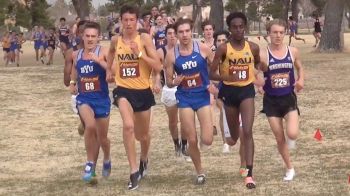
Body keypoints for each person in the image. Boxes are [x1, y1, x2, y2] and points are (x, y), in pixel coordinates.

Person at [106, 5, 162, 190]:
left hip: (143, 92)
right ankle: (133, 172)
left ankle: (144, 159)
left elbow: (158, 66)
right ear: (120, 21)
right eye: (125, 20)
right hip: (123, 90)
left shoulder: (144, 38)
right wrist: (109, 70)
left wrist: (139, 53)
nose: (128, 23)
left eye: (132, 20)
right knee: (128, 127)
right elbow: (111, 53)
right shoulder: (116, 40)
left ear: (137, 21)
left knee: (143, 135)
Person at [210, 12, 263, 189]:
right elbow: (211, 73)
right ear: (230, 28)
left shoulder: (253, 47)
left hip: (247, 92)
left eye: (241, 26)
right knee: (233, 138)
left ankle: (249, 173)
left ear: (245, 27)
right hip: (229, 93)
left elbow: (257, 64)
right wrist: (227, 76)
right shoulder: (223, 49)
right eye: (235, 27)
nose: (239, 30)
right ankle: (229, 134)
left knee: (247, 131)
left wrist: (258, 73)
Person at [164, 18, 217, 185]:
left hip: (202, 96)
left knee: (207, 139)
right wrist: (175, 82)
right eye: (181, 32)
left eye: (187, 31)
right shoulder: (172, 55)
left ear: (192, 31)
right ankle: (200, 171)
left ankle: (201, 144)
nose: (184, 35)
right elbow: (168, 81)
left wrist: (212, 84)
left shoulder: (202, 48)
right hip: (185, 98)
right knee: (191, 138)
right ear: (177, 34)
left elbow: (215, 69)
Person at [260, 19, 304, 181]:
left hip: (288, 99)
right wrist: (259, 83)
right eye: (274, 32)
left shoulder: (292, 51)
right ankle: (289, 168)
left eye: (281, 32)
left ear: (285, 33)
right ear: (269, 34)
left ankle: (290, 139)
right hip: (271, 101)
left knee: (292, 134)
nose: (278, 36)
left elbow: (300, 67)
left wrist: (301, 80)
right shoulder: (263, 54)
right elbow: (255, 73)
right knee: (279, 137)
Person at [69, 21, 111, 184]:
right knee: (90, 126)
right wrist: (73, 83)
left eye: (93, 36)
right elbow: (75, 70)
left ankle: (106, 157)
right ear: (82, 36)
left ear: (98, 37)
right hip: (84, 98)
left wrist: (99, 61)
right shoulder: (76, 54)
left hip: (101, 99)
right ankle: (90, 164)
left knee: (102, 139)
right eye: (87, 36)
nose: (90, 39)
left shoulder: (104, 52)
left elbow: (113, 71)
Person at [157, 24, 189, 160]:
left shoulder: (184, 50)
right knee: (173, 121)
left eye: (174, 34)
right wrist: (157, 82)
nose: (172, 36)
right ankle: (176, 143)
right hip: (169, 89)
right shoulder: (161, 52)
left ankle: (185, 145)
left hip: (184, 89)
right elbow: (156, 70)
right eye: (169, 33)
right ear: (165, 36)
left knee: (185, 119)